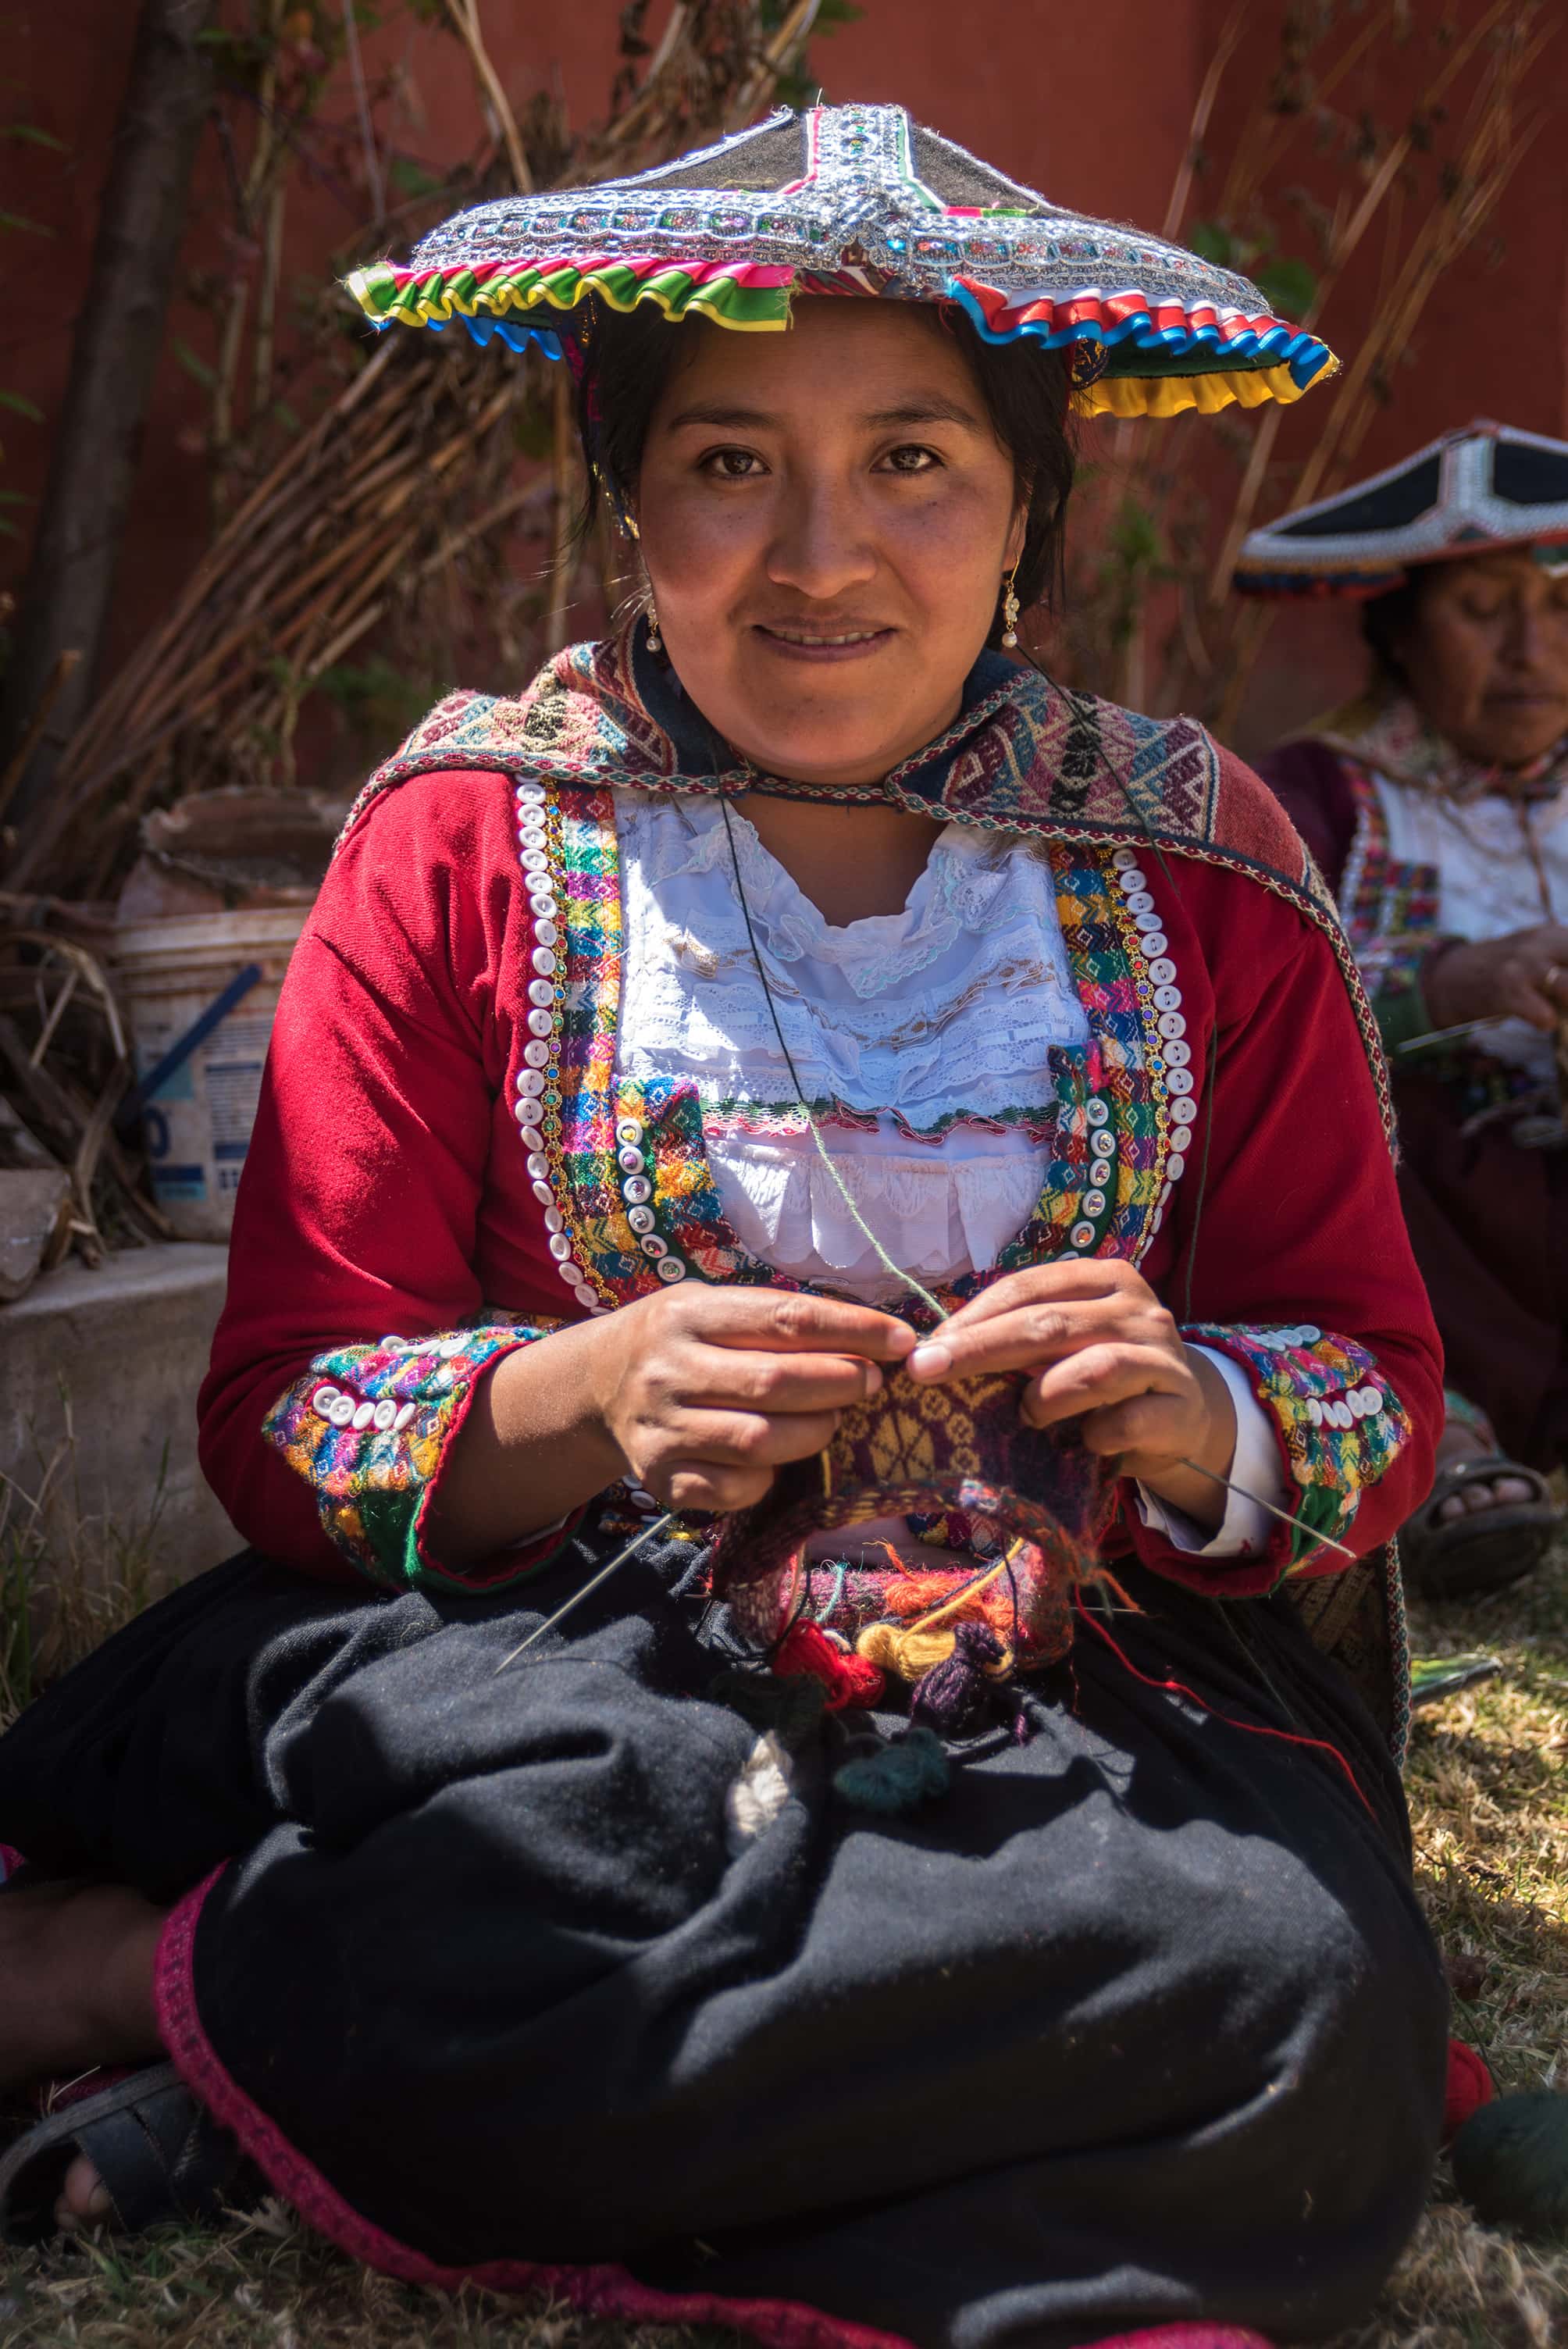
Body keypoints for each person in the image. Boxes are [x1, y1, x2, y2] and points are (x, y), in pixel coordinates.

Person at [0, 106, 1449, 2349]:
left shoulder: (1198, 855)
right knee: (561, 1856)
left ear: (1026, 507)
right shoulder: (472, 838)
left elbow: (1367, 1377)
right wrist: (582, 1397)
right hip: (566, 1659)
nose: (817, 553)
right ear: (630, 497)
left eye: (913, 461)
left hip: (1068, 1664)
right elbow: (287, 1404)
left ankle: (207, 2013)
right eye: (728, 462)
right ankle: (149, 1972)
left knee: (1289, 1989)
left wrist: (1193, 1413)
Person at [1237, 421, 1568, 1597]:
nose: (1532, 650)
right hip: (1434, 1209)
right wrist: (1447, 986)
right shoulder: (1314, 794)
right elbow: (1249, 1009)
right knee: (1322, 1139)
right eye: (1485, 610)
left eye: (1559, 609)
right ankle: (1447, 1432)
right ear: (1404, 628)